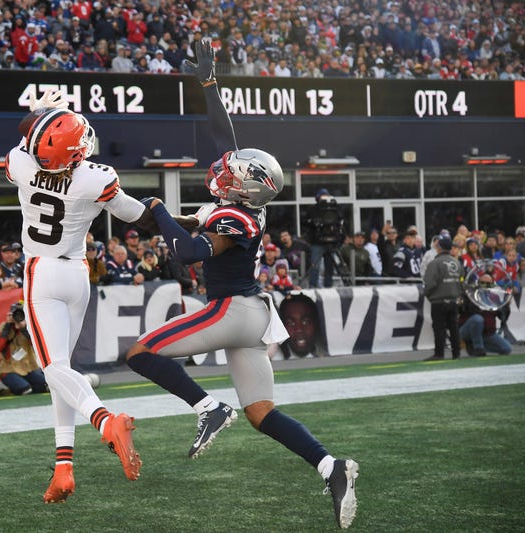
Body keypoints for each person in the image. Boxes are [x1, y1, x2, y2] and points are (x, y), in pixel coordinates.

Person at [124, 39, 358, 530]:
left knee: (140, 353)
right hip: (251, 315)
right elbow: (221, 137)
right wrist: (209, 84)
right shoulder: (242, 207)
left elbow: (191, 252)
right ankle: (330, 466)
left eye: (233, 173)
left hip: (231, 311)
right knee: (262, 413)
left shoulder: (235, 219)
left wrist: (165, 214)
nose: (224, 169)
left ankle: (208, 408)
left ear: (242, 188)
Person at [5, 90, 162, 503]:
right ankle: (63, 469)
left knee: (54, 370)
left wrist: (37, 113)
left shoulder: (21, 163)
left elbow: (28, 142)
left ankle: (106, 421)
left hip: (41, 273)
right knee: (63, 373)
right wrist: (174, 218)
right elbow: (135, 214)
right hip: (78, 275)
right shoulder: (96, 178)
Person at [0, 302, 48, 396]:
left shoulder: (30, 326)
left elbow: (37, 345)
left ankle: (10, 391)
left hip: (29, 368)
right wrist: (7, 326)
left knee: (45, 386)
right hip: (9, 370)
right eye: (15, 314)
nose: (17, 317)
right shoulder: (4, 327)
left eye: (20, 314)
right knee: (26, 390)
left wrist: (23, 328)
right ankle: (13, 390)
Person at [422, 236, 463, 361]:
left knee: (439, 328)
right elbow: (461, 282)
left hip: (439, 301)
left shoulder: (435, 263)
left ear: (438, 247)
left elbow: (430, 283)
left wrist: (428, 294)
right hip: (454, 300)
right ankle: (456, 353)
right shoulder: (457, 263)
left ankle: (439, 353)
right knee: (454, 327)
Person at [458, 273, 512, 357]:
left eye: (489, 283)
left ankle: (475, 346)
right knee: (477, 319)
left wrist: (506, 306)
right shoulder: (470, 295)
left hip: (487, 333)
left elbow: (502, 317)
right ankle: (478, 348)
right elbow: (463, 309)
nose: (486, 285)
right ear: (478, 283)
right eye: (483, 283)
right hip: (467, 329)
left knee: (507, 348)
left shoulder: (494, 297)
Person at [306, 190, 345, 288]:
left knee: (330, 267)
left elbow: (340, 220)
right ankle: (313, 286)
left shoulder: (335, 209)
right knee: (315, 266)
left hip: (331, 242)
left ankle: (328, 286)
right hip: (317, 242)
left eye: (326, 196)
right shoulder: (313, 209)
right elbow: (308, 222)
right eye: (322, 197)